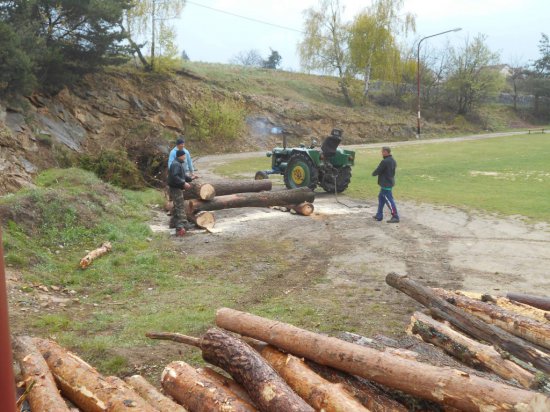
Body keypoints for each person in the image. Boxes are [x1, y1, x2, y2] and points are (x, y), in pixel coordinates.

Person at [168, 150, 193, 236]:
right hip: (175, 188)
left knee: (177, 206)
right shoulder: (176, 164)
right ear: (180, 156)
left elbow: (182, 175)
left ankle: (174, 223)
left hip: (176, 188)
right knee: (180, 206)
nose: (185, 157)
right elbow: (175, 177)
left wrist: (191, 179)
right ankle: (182, 225)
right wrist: (183, 183)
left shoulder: (178, 164)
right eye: (184, 156)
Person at [372, 146, 400, 223]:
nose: (382, 153)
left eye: (383, 152)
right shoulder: (393, 160)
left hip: (386, 184)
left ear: (386, 152)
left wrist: (373, 173)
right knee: (381, 198)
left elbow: (378, 170)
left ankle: (395, 216)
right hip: (389, 182)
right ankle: (379, 215)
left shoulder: (385, 161)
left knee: (389, 200)